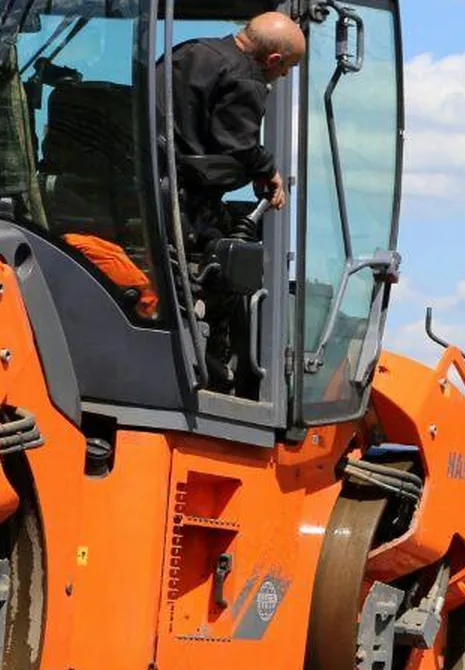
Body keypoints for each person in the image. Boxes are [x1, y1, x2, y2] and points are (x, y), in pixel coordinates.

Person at [163, 13, 307, 394]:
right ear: (273, 60)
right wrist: (268, 169)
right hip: (186, 208)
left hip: (151, 193)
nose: (284, 77)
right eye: (287, 68)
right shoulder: (246, 78)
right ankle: (216, 380)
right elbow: (237, 144)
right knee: (222, 282)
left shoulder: (186, 52)